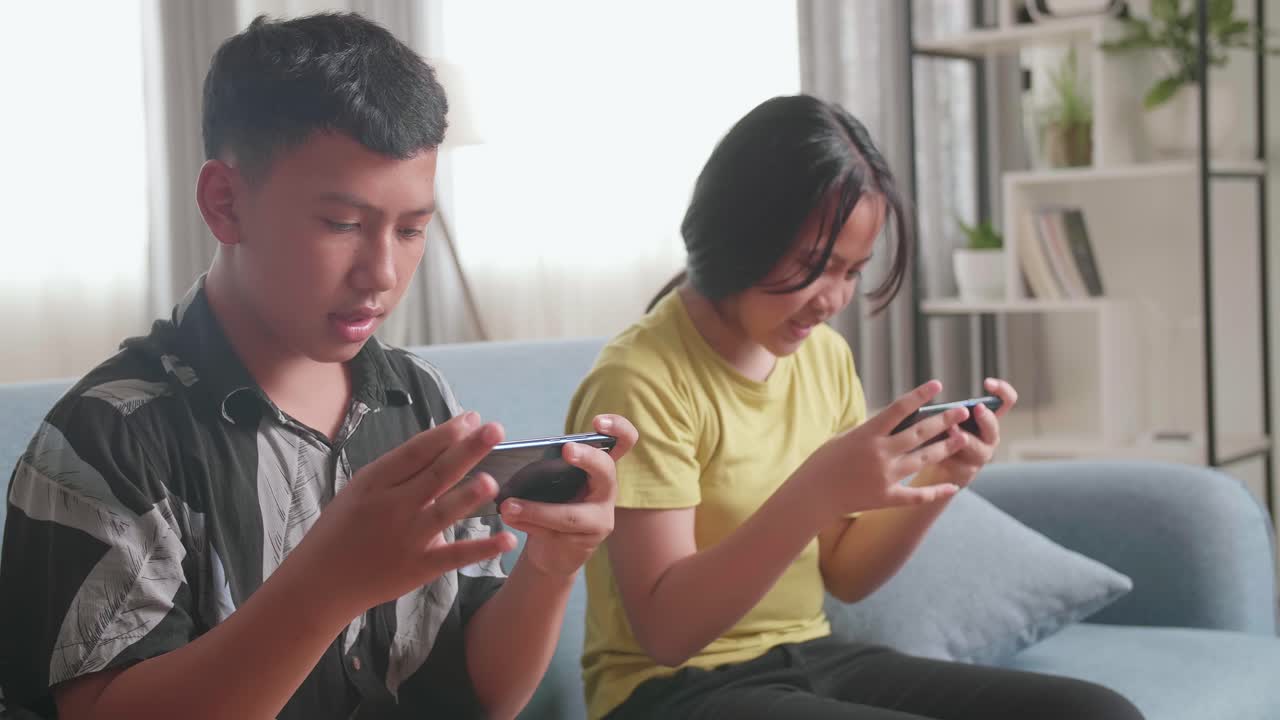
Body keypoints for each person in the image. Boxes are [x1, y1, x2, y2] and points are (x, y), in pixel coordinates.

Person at [0, 13, 635, 720]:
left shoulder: (416, 398)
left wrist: (550, 569)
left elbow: (481, 695)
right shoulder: (107, 440)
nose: (383, 273)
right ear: (225, 202)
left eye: (412, 228)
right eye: (341, 224)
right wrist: (328, 586)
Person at [565, 94, 1143, 720]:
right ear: (742, 234)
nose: (833, 298)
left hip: (812, 658)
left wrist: (943, 475)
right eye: (816, 267)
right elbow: (666, 632)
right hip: (670, 692)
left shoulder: (824, 359)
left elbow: (846, 574)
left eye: (852, 272)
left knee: (1098, 713)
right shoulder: (640, 380)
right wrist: (816, 491)